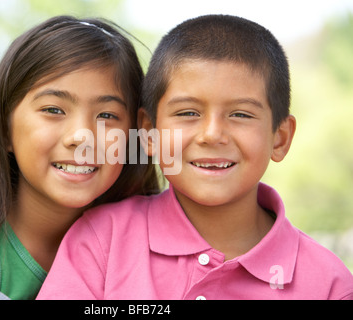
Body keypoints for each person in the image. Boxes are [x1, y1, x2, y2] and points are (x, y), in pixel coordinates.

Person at [37, 14, 353, 300]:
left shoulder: (329, 284)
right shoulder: (102, 240)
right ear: (149, 132)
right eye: (188, 112)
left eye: (241, 114)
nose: (212, 134)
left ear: (280, 138)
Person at [0, 15, 160, 300]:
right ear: (4, 128)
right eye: (53, 110)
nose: (82, 136)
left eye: (107, 116)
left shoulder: (151, 247)